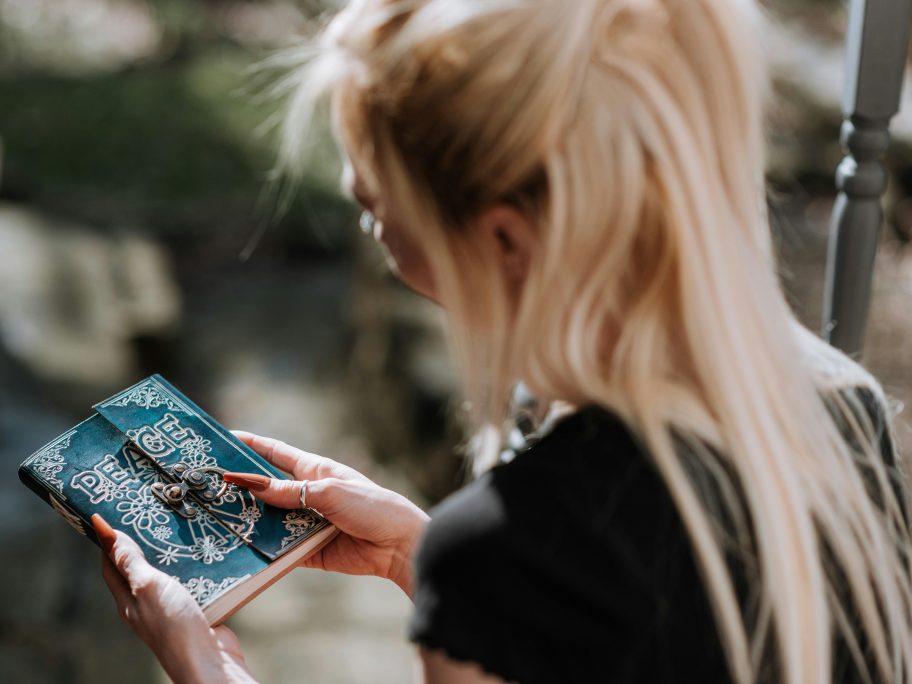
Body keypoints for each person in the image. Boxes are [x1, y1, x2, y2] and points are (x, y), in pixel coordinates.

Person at [93, 0, 912, 681]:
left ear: (502, 243)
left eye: (379, 207)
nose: (365, 219)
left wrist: (208, 669)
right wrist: (415, 554)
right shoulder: (842, 409)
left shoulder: (511, 554)